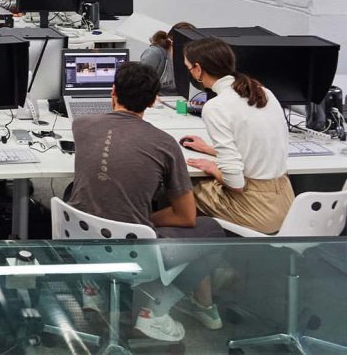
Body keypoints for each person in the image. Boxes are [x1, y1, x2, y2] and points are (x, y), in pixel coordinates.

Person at [67, 62, 225, 343]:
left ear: (113, 91)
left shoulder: (81, 125)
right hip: (133, 250)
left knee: (74, 190)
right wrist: (144, 220)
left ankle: (92, 290)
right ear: (154, 101)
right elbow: (186, 217)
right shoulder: (164, 144)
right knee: (212, 231)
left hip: (81, 242)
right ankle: (154, 311)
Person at [179, 37, 293, 234]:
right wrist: (208, 149)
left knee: (182, 196)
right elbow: (256, 147)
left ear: (198, 69)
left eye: (188, 68)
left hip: (256, 209)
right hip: (288, 203)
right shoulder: (265, 93)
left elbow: (236, 183)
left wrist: (213, 168)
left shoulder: (215, 107)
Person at [140, 21, 195, 94]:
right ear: (171, 42)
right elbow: (141, 84)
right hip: (158, 100)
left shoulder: (193, 58)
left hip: (182, 100)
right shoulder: (155, 54)